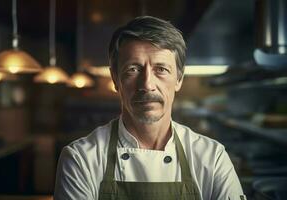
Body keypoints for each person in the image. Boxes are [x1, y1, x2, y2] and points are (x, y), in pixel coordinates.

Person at [54, 16, 246, 200]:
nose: (147, 84)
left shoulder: (212, 157)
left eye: (161, 69)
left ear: (178, 79)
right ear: (115, 79)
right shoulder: (81, 159)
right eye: (133, 69)